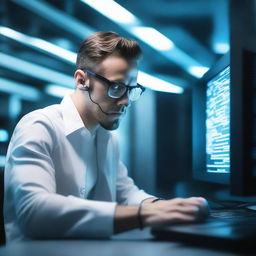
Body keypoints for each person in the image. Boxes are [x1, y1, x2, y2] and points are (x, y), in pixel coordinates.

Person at [4, 31, 208, 243]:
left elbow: (126, 194)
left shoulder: (106, 137)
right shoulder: (39, 126)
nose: (126, 101)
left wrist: (164, 206)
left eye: (131, 89)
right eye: (117, 87)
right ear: (82, 80)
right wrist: (145, 215)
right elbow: (35, 212)